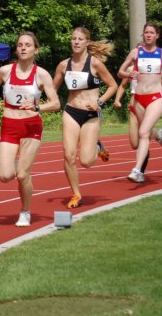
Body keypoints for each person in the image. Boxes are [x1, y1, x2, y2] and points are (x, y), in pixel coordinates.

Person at [0, 31, 60, 227]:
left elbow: (55, 103)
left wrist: (38, 107)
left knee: (22, 175)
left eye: (28, 45)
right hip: (9, 125)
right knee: (5, 176)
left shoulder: (41, 74)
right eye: (20, 45)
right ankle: (18, 164)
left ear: (36, 50)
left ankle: (25, 211)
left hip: (31, 127)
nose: (23, 48)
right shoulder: (5, 71)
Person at [52, 27, 117, 208]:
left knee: (86, 161)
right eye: (73, 39)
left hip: (91, 115)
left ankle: (97, 146)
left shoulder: (95, 63)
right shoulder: (63, 65)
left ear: (87, 42)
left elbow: (113, 85)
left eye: (80, 39)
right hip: (71, 112)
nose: (76, 42)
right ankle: (76, 194)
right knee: (69, 155)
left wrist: (99, 102)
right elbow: (52, 89)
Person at [118, 23, 162, 183]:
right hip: (138, 98)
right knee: (145, 133)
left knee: (143, 132)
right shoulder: (136, 52)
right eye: (146, 32)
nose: (148, 35)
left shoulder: (161, 53)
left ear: (157, 35)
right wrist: (129, 74)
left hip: (156, 97)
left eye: (151, 33)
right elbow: (120, 72)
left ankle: (137, 170)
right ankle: (159, 136)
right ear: (143, 35)